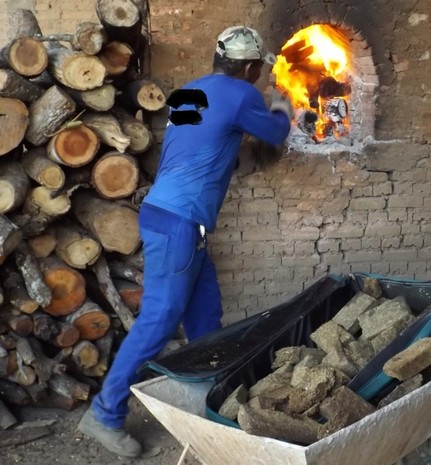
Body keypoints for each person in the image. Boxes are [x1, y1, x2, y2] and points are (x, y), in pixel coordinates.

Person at [77, 26, 293, 457]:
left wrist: (229, 159)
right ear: (249, 68)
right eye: (257, 71)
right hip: (180, 224)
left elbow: (195, 145)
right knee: (158, 320)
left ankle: (207, 402)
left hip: (169, 217)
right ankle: (104, 413)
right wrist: (282, 102)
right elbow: (275, 133)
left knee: (205, 316)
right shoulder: (241, 93)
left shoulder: (189, 93)